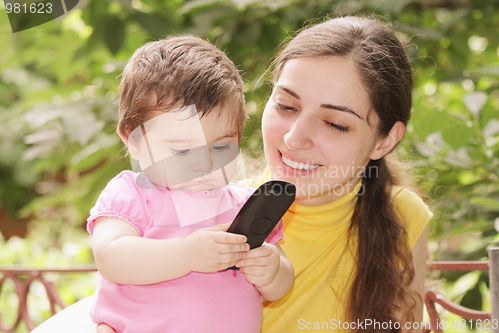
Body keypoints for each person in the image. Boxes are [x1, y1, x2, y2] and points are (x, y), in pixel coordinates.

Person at [33, 15, 431, 333]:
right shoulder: (232, 206)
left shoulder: (399, 217)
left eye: (335, 124)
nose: (294, 138)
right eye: (286, 106)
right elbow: (121, 276)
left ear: (385, 139)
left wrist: (272, 269)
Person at [86, 35, 294, 333]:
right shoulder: (132, 193)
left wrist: (272, 270)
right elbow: (110, 257)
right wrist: (186, 254)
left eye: (220, 147)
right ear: (133, 140)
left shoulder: (245, 204)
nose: (204, 163)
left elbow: (281, 283)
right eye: (182, 151)